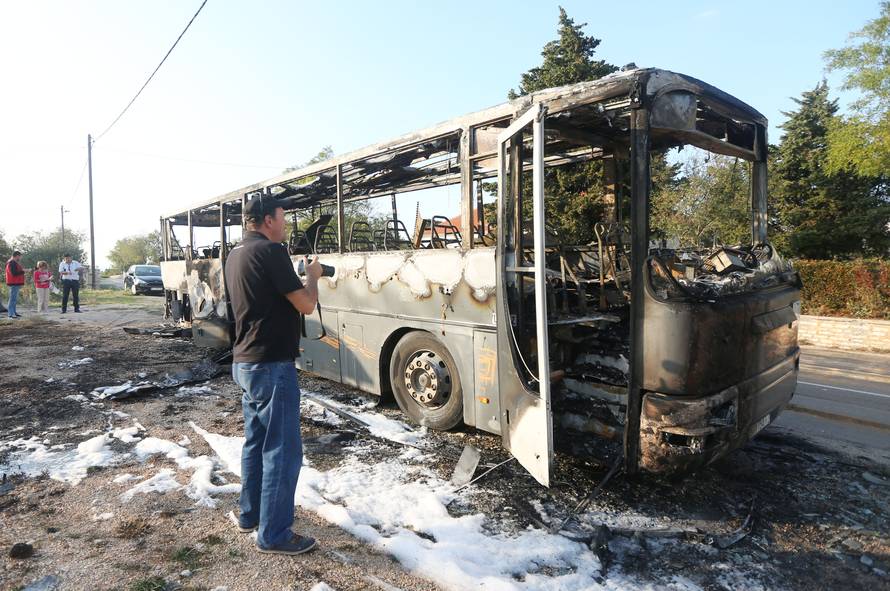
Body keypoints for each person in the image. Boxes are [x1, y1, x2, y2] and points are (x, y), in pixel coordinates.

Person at [225, 193, 322, 556]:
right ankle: (275, 534)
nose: (284, 223)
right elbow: (306, 304)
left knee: (255, 442)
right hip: (271, 366)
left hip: (245, 362)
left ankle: (250, 516)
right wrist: (313, 277)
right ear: (268, 220)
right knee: (282, 451)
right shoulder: (271, 252)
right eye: (282, 217)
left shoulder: (235, 255)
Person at [5, 250, 31, 318]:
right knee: (12, 299)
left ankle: (14, 312)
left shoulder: (14, 263)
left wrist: (23, 271)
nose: (20, 258)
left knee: (14, 299)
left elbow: (17, 272)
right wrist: (24, 271)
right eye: (20, 256)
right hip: (13, 283)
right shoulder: (11, 263)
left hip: (16, 282)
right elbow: (14, 273)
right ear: (17, 256)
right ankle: (11, 314)